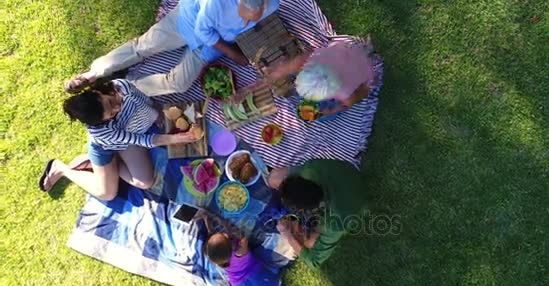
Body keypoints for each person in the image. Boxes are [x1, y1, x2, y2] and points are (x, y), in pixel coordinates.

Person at [64, 0, 280, 97]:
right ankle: (94, 74)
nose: (244, 23)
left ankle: (122, 88)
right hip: (187, 21)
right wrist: (233, 52)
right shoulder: (216, 3)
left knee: (179, 83)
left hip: (209, 47)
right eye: (242, 17)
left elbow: (250, 28)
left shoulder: (272, 4)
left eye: (251, 19)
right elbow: (204, 30)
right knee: (143, 47)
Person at [39, 79, 199, 200]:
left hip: (129, 139)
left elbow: (144, 101)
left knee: (145, 180)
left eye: (110, 101)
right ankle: (62, 169)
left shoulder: (121, 86)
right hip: (108, 147)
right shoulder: (102, 131)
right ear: (102, 121)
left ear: (97, 93)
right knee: (107, 193)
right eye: (111, 114)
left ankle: (104, 165)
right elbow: (141, 140)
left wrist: (156, 114)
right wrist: (174, 139)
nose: (117, 107)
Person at [201, 210, 300, 286]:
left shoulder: (218, 260)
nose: (224, 233)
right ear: (229, 242)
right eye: (225, 236)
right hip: (260, 279)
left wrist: (207, 221)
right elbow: (235, 231)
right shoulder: (240, 250)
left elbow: (212, 243)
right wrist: (218, 219)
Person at [268, 160, 366, 268]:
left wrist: (289, 236)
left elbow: (314, 261)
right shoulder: (310, 171)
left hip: (353, 206)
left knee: (309, 243)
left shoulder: (334, 224)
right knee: (273, 178)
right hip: (348, 175)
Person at [263, 38, 375, 115]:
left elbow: (358, 96)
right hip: (341, 55)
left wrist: (332, 111)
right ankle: (363, 50)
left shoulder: (344, 93)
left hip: (359, 71)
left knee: (364, 67)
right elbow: (295, 63)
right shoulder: (315, 61)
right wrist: (274, 75)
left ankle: (367, 53)